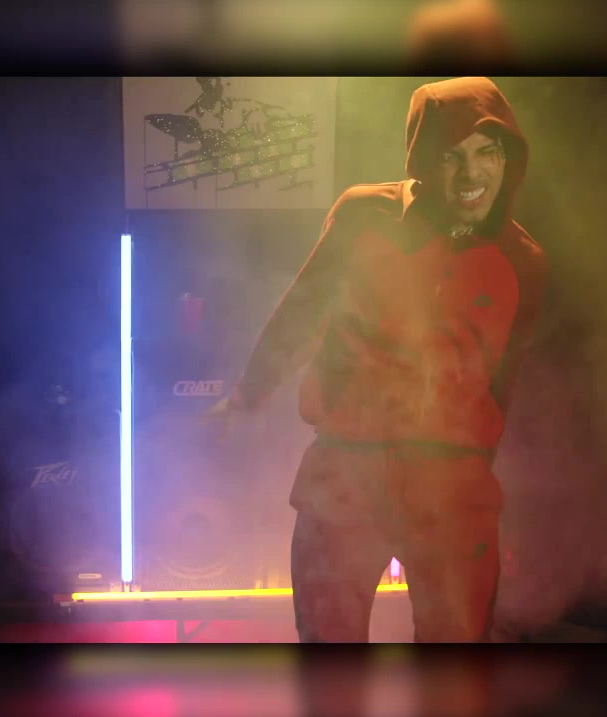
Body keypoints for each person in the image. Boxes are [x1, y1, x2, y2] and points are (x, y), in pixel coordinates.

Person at [205, 76, 547, 642]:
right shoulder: (365, 215)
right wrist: (248, 394)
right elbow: (302, 311)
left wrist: (469, 468)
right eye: (451, 155)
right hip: (347, 475)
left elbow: (501, 382)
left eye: (488, 152)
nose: (472, 173)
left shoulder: (523, 260)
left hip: (452, 489)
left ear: (508, 157)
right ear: (422, 160)